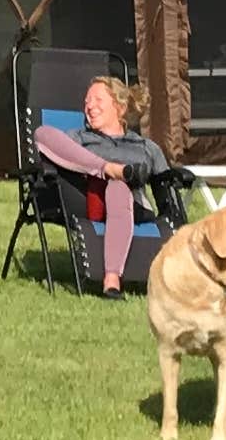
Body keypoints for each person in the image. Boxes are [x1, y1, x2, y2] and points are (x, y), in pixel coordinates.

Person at [36, 73, 174, 298]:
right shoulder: (79, 138)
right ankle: (108, 169)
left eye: (98, 100)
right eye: (87, 102)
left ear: (119, 108)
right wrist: (105, 168)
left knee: (118, 187)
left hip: (134, 207)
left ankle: (112, 279)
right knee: (113, 178)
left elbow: (165, 192)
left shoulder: (146, 147)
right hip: (90, 202)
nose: (89, 106)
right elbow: (42, 136)